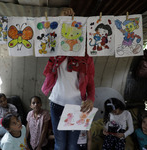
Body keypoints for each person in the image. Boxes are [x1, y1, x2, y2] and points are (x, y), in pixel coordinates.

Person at [41, 8, 95, 150]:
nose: (71, 35)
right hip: (56, 104)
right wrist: (61, 17)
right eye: (67, 32)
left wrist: (91, 98)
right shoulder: (57, 52)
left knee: (72, 145)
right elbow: (49, 31)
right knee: (60, 144)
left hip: (76, 106)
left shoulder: (86, 57)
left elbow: (91, 82)